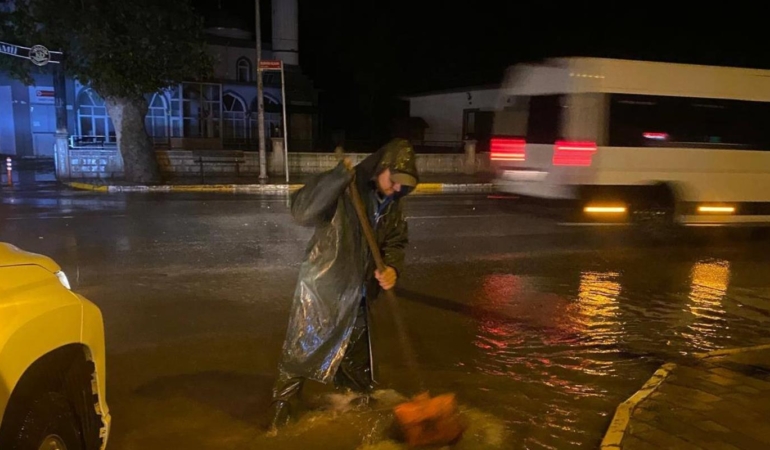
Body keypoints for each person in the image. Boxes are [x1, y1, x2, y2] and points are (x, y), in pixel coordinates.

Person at [269, 138, 419, 430]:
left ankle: (355, 408)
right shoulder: (345, 189)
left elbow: (396, 242)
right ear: (380, 167)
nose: (398, 188)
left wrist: (391, 269)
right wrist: (336, 178)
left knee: (356, 360)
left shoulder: (393, 204)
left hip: (360, 293)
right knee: (302, 352)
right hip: (325, 286)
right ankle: (279, 422)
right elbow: (300, 211)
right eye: (395, 179)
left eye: (405, 184)